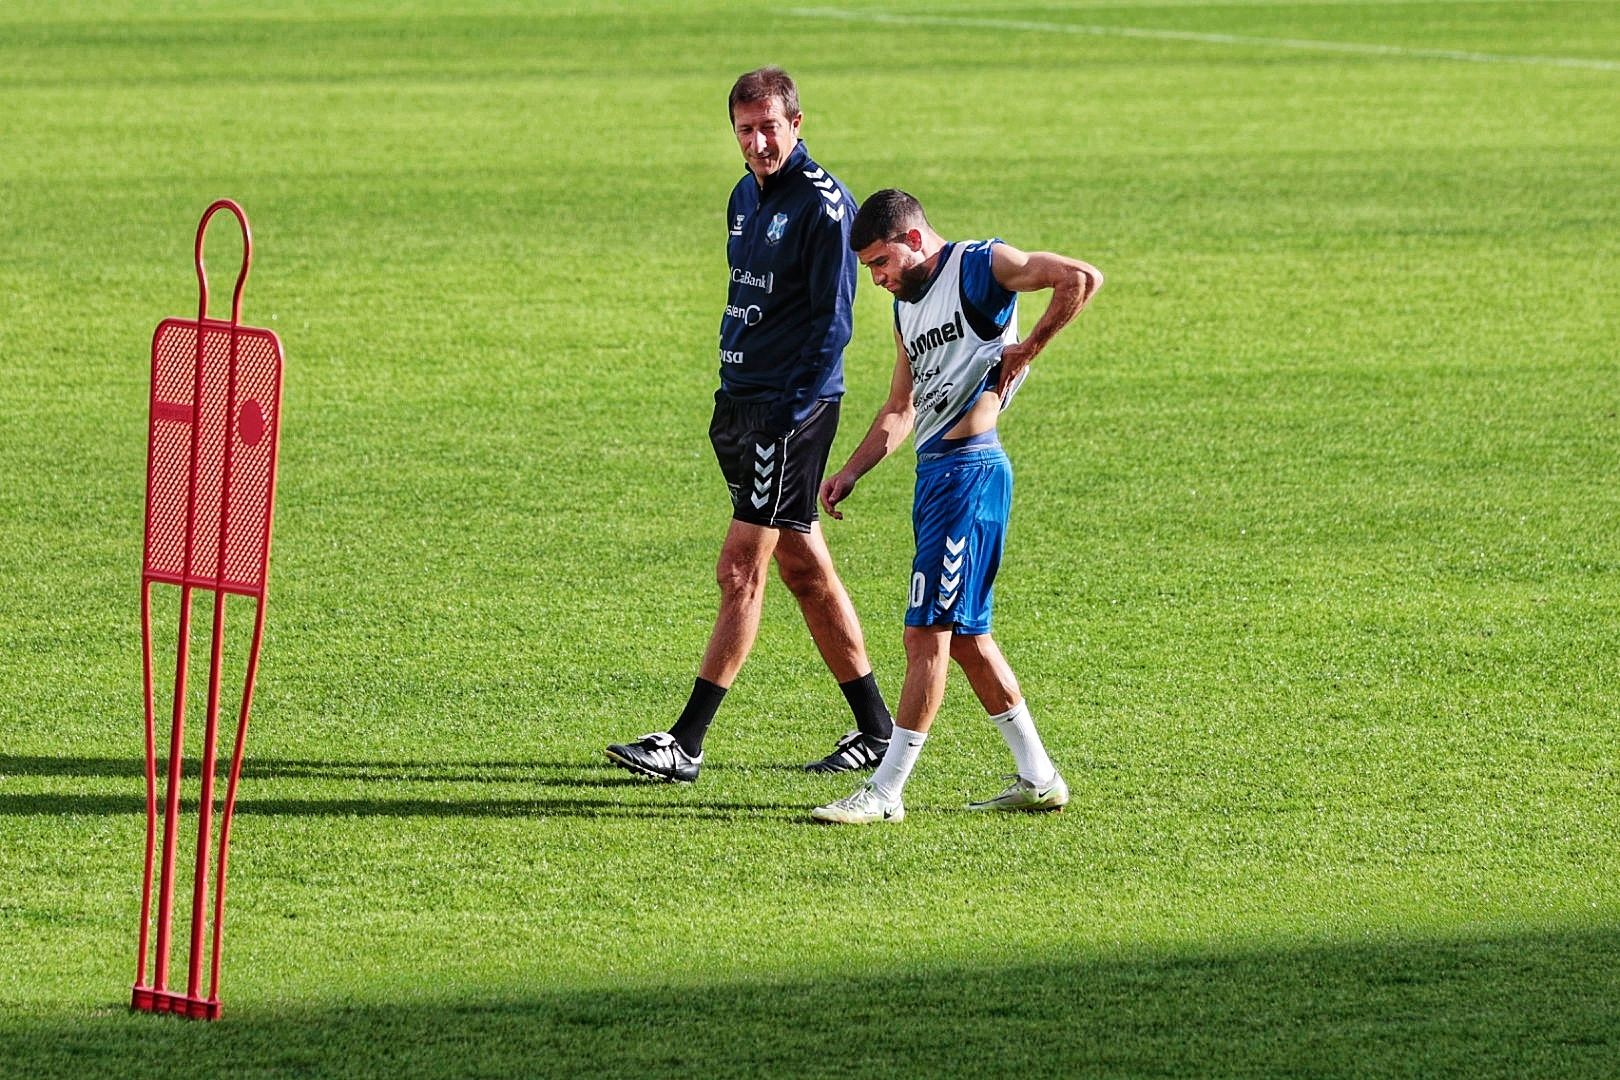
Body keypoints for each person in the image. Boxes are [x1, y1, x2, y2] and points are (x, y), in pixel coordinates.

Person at [606, 68, 894, 784]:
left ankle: (686, 743)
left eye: (771, 126)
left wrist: (789, 419)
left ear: (798, 124)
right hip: (742, 402)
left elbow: (834, 325)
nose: (760, 141)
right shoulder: (743, 194)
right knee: (803, 568)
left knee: (741, 568)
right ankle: (879, 730)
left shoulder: (827, 210)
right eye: (746, 129)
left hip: (789, 412)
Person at [809, 189, 1103, 824]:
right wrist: (852, 471)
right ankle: (1039, 777)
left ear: (914, 239)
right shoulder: (905, 314)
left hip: (971, 473)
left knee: (926, 634)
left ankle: (886, 792)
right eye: (868, 270)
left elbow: (1080, 278)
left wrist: (1030, 349)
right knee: (967, 637)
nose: (879, 279)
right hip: (938, 477)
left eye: (881, 262)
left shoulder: (980, 266)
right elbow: (899, 409)